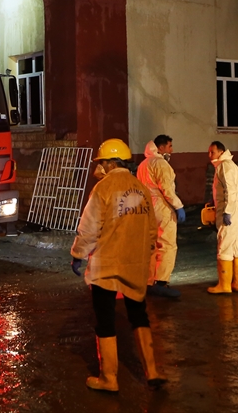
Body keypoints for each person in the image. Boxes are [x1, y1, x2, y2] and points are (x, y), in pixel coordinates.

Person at [70, 138, 164, 392]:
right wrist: (148, 257)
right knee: (138, 315)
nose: (99, 168)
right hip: (135, 263)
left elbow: (89, 228)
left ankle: (109, 379)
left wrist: (78, 253)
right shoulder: (140, 188)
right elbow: (152, 231)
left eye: (102, 163)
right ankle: (152, 371)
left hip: (106, 266)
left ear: (111, 163)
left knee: (105, 318)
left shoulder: (103, 189)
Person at [136, 134, 186, 298]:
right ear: (162, 147)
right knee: (167, 244)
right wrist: (178, 206)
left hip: (146, 207)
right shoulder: (161, 164)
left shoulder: (143, 164)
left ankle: (149, 281)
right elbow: (167, 190)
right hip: (162, 207)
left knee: (151, 245)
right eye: (170, 146)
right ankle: (161, 281)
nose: (172, 150)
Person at [207, 141, 238, 294]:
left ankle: (224, 285)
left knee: (224, 246)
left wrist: (227, 211)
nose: (210, 155)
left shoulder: (224, 166)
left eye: (212, 152)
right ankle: (237, 283)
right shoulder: (230, 165)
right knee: (237, 247)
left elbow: (230, 190)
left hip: (231, 210)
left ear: (220, 152)